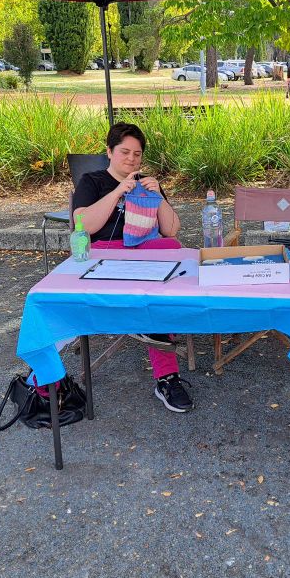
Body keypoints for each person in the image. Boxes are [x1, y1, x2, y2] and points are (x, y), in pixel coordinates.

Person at [71, 122, 193, 413]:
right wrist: (117, 192)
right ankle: (167, 374)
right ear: (109, 151)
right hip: (107, 257)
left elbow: (171, 229)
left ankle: (146, 326)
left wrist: (158, 196)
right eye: (124, 152)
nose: (131, 159)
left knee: (172, 249)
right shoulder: (92, 181)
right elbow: (83, 225)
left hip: (147, 256)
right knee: (154, 301)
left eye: (137, 154)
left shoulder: (147, 183)